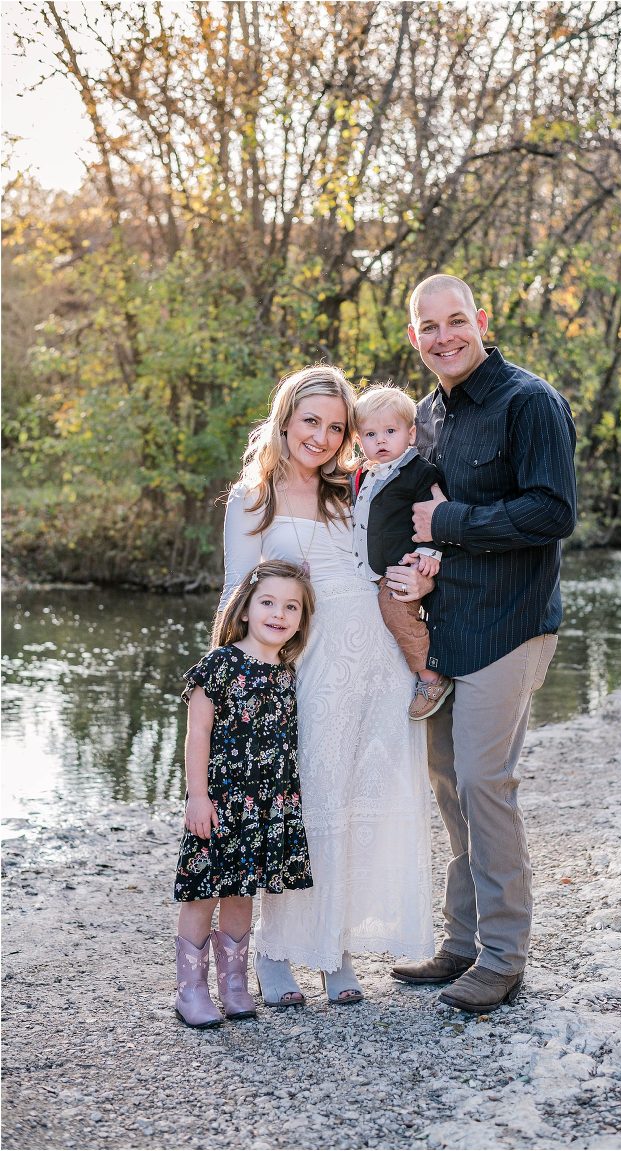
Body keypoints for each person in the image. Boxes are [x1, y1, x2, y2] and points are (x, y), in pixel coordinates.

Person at [389, 273, 578, 1013]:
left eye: (456, 320)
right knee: (447, 782)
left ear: (482, 320)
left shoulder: (529, 402)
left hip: (512, 621)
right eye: (428, 326)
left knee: (483, 783)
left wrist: (451, 525)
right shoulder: (429, 414)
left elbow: (552, 511)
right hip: (449, 625)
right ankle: (461, 940)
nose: (444, 336)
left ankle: (503, 955)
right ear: (414, 338)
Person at [219, 364, 434, 1007]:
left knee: (354, 809)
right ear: (285, 418)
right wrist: (235, 684)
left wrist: (421, 580)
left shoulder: (354, 487)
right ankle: (278, 951)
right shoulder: (251, 498)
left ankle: (337, 951)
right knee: (304, 808)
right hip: (308, 665)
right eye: (310, 420)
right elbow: (238, 592)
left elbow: (397, 546)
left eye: (336, 426)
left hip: (374, 663)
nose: (322, 436)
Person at [174, 559, 316, 1029]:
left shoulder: (288, 674)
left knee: (241, 895)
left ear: (301, 618)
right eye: (268, 602)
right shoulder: (218, 666)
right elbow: (197, 736)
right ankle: (190, 991)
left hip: (265, 805)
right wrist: (197, 796)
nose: (279, 613)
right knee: (202, 894)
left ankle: (233, 986)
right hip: (218, 802)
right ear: (246, 608)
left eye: (291, 606)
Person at [352, 385, 453, 720]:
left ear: (411, 435)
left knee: (396, 612)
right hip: (373, 568)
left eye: (390, 432)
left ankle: (431, 679)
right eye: (370, 434)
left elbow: (436, 513)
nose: (380, 440)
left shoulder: (418, 472)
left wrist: (429, 552)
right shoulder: (365, 474)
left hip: (403, 568)